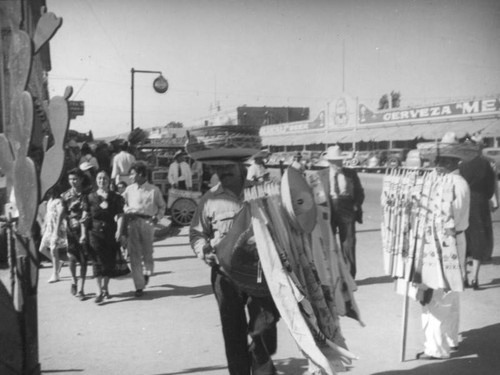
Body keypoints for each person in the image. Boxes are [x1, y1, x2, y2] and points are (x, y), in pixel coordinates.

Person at [190, 160, 279, 375]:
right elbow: (196, 233)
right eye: (218, 167)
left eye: (228, 166)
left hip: (259, 274)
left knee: (265, 326)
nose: (222, 171)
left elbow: (280, 226)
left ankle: (259, 355)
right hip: (225, 276)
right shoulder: (209, 198)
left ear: (241, 167)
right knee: (233, 334)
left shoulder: (260, 192)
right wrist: (204, 250)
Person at [417, 133, 470, 360]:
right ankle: (450, 339)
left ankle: (437, 348)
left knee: (436, 295)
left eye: (440, 162)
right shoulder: (458, 182)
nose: (436, 166)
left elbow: (445, 218)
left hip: (444, 242)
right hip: (455, 240)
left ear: (450, 162)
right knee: (451, 291)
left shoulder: (451, 184)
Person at [317, 145, 364, 278]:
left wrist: (356, 205)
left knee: (348, 244)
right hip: (328, 210)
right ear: (329, 162)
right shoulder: (320, 175)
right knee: (328, 244)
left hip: (347, 209)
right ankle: (331, 275)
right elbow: (312, 195)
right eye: (335, 161)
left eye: (339, 161)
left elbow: (360, 192)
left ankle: (350, 277)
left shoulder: (351, 173)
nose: (338, 164)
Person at [122, 161, 166, 297]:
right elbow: (122, 204)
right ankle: (139, 285)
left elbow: (162, 206)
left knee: (147, 253)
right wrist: (127, 210)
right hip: (133, 222)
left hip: (147, 223)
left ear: (140, 174)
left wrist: (157, 217)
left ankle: (147, 273)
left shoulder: (154, 190)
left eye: (133, 174)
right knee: (134, 255)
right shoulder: (129, 190)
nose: (130, 177)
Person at [458, 136, 496, 289]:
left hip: (464, 203)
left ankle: (463, 277)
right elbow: (490, 188)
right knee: (479, 239)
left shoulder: (461, 165)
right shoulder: (486, 164)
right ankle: (475, 278)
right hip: (480, 204)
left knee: (464, 238)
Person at [86, 170, 124, 303]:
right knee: (97, 261)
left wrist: (119, 230)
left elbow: (119, 215)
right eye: (99, 179)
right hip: (94, 233)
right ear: (96, 181)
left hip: (110, 231)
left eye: (105, 179)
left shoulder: (115, 197)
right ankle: (98, 291)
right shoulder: (90, 197)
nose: (102, 181)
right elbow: (86, 215)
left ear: (109, 181)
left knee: (109, 261)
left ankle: (105, 287)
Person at [61, 168, 90, 300]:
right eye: (70, 179)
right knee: (71, 258)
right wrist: (57, 229)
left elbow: (87, 212)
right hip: (70, 231)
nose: (72, 181)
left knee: (83, 260)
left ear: (81, 179)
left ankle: (82, 289)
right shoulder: (65, 195)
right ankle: (74, 281)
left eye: (75, 179)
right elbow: (62, 213)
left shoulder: (87, 194)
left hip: (84, 230)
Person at [39, 184, 67, 283]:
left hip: (56, 228)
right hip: (49, 228)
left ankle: (55, 274)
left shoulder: (59, 201)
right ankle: (58, 263)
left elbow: (60, 214)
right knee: (42, 248)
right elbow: (48, 215)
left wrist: (57, 230)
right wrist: (44, 225)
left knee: (53, 249)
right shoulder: (50, 200)